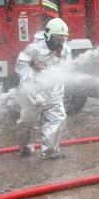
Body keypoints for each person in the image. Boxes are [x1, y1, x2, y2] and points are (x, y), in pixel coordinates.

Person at [16, 17, 71, 159]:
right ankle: (25, 150)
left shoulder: (65, 50)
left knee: (57, 120)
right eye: (57, 37)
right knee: (27, 123)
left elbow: (67, 69)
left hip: (54, 92)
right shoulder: (33, 48)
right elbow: (20, 67)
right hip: (32, 92)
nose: (60, 41)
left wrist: (59, 60)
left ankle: (50, 152)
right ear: (48, 35)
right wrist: (33, 70)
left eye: (63, 38)